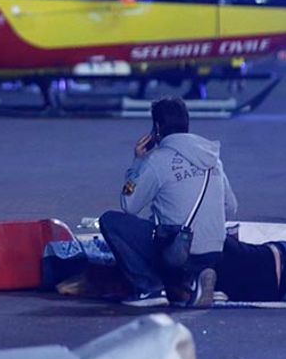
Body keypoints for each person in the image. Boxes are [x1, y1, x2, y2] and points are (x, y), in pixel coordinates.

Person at [100, 96, 238, 308]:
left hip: (179, 255)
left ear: (157, 128)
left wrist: (137, 162)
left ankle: (149, 288)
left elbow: (129, 205)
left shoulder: (157, 160)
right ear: (186, 123)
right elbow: (231, 208)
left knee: (111, 221)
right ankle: (193, 282)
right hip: (213, 254)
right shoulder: (213, 160)